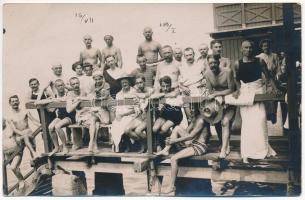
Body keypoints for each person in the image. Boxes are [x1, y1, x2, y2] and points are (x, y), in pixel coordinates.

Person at [224, 40, 280, 163]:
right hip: (245, 95)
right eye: (245, 48)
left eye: (250, 48)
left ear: (253, 49)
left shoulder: (259, 61)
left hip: (258, 92)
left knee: (260, 120)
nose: (248, 50)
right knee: (248, 125)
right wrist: (238, 90)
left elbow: (269, 76)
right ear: (241, 49)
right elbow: (236, 79)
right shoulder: (237, 64)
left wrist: (275, 88)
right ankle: (247, 152)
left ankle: (261, 150)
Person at [156, 102, 210, 194]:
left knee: (173, 158)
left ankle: (171, 186)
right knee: (176, 128)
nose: (191, 111)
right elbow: (185, 132)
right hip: (193, 143)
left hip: (200, 146)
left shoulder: (201, 120)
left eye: (193, 109)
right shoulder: (195, 119)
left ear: (198, 109)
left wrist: (174, 141)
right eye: (190, 109)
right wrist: (171, 136)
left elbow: (190, 136)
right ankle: (166, 150)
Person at [205, 54, 235, 158]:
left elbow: (231, 89)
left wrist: (217, 94)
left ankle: (224, 148)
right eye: (210, 63)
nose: (213, 65)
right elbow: (210, 91)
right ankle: (224, 144)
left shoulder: (227, 71)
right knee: (217, 122)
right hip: (218, 101)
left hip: (229, 100)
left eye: (214, 63)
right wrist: (216, 97)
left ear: (219, 62)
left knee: (226, 122)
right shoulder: (207, 74)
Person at [66, 77, 99, 153]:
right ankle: (94, 144)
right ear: (71, 85)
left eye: (77, 83)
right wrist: (77, 103)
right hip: (81, 116)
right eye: (73, 84)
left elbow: (92, 97)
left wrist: (80, 98)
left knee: (93, 120)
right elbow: (69, 110)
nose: (75, 85)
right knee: (95, 124)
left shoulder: (84, 90)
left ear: (79, 83)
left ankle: (91, 144)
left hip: (90, 113)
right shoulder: (70, 94)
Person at [110, 73, 140, 152]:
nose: (124, 84)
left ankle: (129, 145)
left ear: (129, 83)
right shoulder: (118, 94)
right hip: (121, 116)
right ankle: (119, 145)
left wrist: (123, 114)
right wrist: (117, 115)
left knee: (124, 124)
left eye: (126, 82)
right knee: (115, 125)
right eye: (122, 83)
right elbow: (117, 108)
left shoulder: (134, 92)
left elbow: (137, 109)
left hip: (132, 115)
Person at [124, 75, 154, 153]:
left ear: (144, 82)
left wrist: (136, 94)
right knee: (127, 130)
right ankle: (143, 143)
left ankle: (147, 145)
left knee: (138, 131)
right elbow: (127, 96)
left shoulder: (150, 90)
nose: (139, 84)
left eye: (141, 82)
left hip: (149, 116)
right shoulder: (136, 91)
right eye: (137, 83)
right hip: (140, 116)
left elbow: (145, 95)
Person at [152, 76, 182, 152]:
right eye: (163, 86)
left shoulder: (175, 91)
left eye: (167, 86)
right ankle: (171, 138)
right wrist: (161, 95)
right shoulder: (159, 92)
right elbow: (152, 96)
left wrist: (162, 96)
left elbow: (174, 94)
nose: (165, 88)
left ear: (170, 85)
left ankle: (160, 145)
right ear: (160, 86)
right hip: (164, 115)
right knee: (155, 129)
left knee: (164, 128)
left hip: (175, 114)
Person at [6, 95, 41, 159]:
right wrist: (24, 134)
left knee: (33, 148)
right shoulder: (9, 116)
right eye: (13, 101)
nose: (15, 103)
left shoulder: (25, 111)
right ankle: (34, 153)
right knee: (25, 136)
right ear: (10, 103)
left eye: (16, 101)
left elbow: (34, 121)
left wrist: (42, 126)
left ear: (19, 102)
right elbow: (14, 130)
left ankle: (35, 159)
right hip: (19, 137)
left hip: (29, 133)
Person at [47, 79, 76, 156]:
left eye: (62, 85)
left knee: (57, 126)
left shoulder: (68, 93)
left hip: (70, 116)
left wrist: (55, 99)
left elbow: (65, 99)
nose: (61, 87)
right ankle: (56, 147)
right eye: (59, 86)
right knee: (50, 127)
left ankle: (65, 146)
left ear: (64, 85)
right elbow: (51, 109)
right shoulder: (55, 95)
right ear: (56, 87)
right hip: (61, 116)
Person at [179, 47, 206, 123]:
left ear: (194, 54)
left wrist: (204, 81)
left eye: (190, 55)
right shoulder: (181, 67)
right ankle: (191, 133)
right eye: (187, 55)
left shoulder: (200, 65)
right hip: (186, 93)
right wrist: (183, 87)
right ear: (184, 57)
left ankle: (205, 133)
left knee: (201, 116)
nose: (189, 57)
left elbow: (205, 78)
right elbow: (179, 82)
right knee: (190, 118)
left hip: (198, 91)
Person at [257, 39, 281, 124]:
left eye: (267, 45)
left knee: (274, 96)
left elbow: (278, 68)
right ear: (262, 47)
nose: (266, 47)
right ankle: (268, 115)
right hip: (264, 79)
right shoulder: (259, 57)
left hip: (273, 78)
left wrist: (278, 75)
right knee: (266, 97)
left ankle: (274, 114)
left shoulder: (274, 56)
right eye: (264, 46)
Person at [3, 118, 26, 190]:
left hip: (16, 152)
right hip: (7, 154)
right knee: (15, 168)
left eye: (2, 122)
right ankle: (21, 180)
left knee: (13, 167)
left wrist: (22, 145)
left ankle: (21, 180)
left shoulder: (10, 128)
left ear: (4, 122)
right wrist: (3, 158)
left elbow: (20, 134)